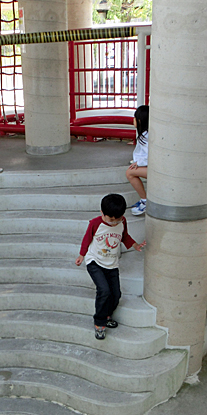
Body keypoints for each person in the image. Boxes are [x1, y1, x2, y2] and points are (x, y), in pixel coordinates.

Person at [75, 193, 146, 340]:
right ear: (102, 213)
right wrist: (82, 255)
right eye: (111, 220)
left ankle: (107, 315)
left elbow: (124, 236)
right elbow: (86, 239)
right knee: (104, 290)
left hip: (111, 264)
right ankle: (99, 323)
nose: (114, 223)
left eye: (117, 219)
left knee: (116, 294)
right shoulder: (95, 223)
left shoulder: (122, 221)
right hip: (94, 261)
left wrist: (135, 245)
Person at [126, 105, 149, 216]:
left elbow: (151, 155)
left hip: (156, 168)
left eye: (135, 118)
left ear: (140, 121)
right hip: (152, 166)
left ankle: (145, 201)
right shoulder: (145, 134)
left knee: (129, 173)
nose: (133, 120)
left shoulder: (147, 136)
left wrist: (139, 163)